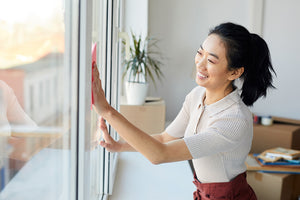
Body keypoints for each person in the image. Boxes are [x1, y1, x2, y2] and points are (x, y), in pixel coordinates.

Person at [92, 22, 276, 200]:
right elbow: (165, 138)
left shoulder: (234, 119)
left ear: (234, 73)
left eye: (211, 60)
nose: (200, 64)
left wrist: (108, 111)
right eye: (199, 53)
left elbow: (160, 154)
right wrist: (120, 146)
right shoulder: (197, 95)